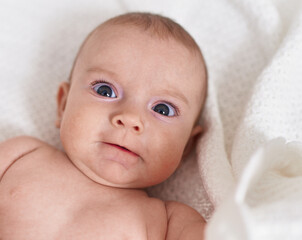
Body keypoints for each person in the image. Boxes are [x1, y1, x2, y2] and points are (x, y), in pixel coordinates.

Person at [0, 12, 207, 239]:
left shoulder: (171, 222)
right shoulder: (21, 155)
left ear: (186, 146)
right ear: (64, 104)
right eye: (105, 90)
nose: (130, 118)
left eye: (162, 109)